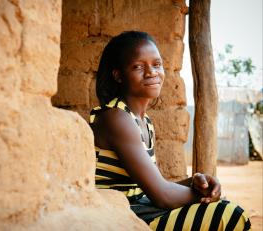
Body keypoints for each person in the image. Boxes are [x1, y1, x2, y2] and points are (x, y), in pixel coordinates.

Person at [89, 31, 251, 230]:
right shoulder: (116, 117)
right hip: (122, 215)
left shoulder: (143, 121)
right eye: (139, 67)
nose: (152, 72)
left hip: (141, 207)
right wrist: (205, 196)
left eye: (157, 64)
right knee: (228, 215)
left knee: (223, 211)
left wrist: (195, 183)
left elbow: (155, 185)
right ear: (118, 75)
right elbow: (162, 195)